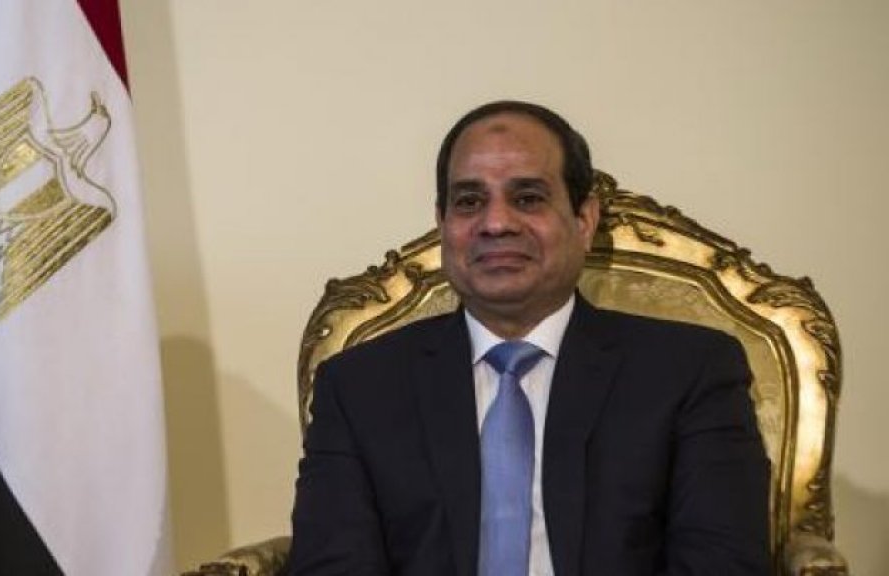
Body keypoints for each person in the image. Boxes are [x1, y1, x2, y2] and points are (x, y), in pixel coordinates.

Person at [288, 101, 771, 576]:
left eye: (528, 198)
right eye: (469, 201)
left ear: (584, 220)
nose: (496, 223)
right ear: (443, 224)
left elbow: (722, 563)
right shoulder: (359, 387)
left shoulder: (689, 371)